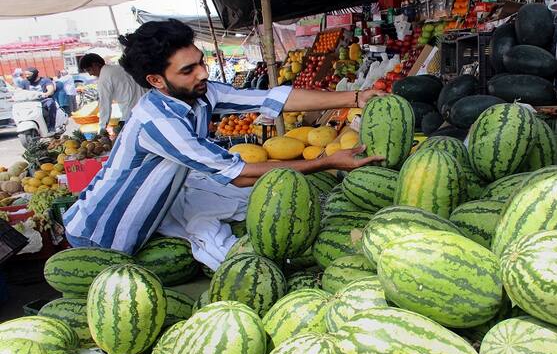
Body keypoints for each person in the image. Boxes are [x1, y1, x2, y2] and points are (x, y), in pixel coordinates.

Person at [63, 19, 386, 254]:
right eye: (187, 70)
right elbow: (240, 175)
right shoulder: (157, 122)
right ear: (156, 80)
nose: (203, 73)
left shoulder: (200, 94)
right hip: (100, 236)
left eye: (200, 63)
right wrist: (328, 162)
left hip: (140, 227)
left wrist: (355, 98)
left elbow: (274, 98)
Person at [78, 53, 146, 133]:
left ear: (95, 65)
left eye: (89, 70)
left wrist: (102, 128)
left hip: (132, 114)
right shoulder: (119, 67)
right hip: (148, 106)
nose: (90, 74)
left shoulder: (103, 79)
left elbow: (104, 105)